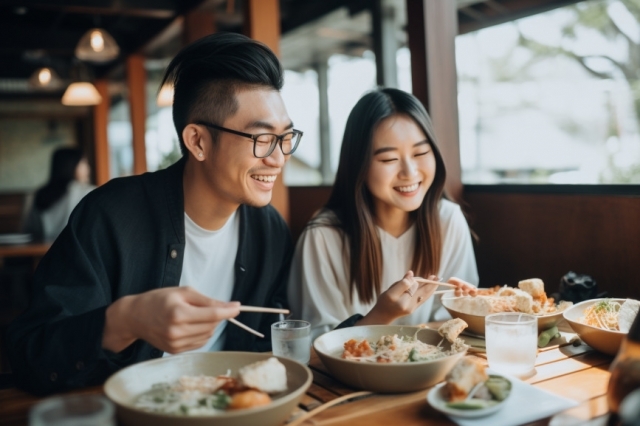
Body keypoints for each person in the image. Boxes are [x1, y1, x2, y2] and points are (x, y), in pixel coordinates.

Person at [7, 32, 301, 395]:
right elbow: (29, 356)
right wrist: (125, 321)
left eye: (286, 137)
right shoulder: (111, 216)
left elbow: (274, 337)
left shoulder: (268, 230)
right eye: (262, 139)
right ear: (198, 141)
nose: (278, 157)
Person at [288, 88, 478, 339]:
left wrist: (465, 310)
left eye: (420, 153)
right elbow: (314, 343)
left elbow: (450, 329)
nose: (409, 172)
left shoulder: (448, 220)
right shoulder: (323, 236)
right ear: (359, 165)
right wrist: (382, 316)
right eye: (389, 159)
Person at [22, 147, 95, 242]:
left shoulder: (39, 193)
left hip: (42, 253)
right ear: (71, 165)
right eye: (84, 163)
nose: (88, 168)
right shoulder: (89, 192)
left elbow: (29, 229)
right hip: (75, 251)